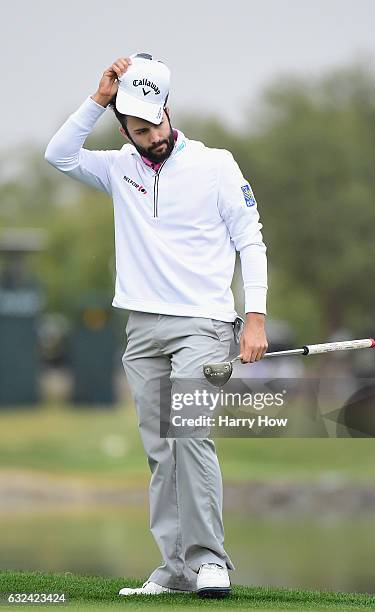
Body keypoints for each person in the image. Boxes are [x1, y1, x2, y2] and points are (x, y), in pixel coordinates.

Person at [45, 53, 268, 598]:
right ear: (125, 128)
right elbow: (58, 155)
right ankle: (174, 569)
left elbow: (250, 240)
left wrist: (256, 316)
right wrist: (98, 99)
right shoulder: (119, 167)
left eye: (156, 123)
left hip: (205, 323)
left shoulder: (217, 164)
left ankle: (210, 560)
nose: (152, 136)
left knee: (188, 432)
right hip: (142, 328)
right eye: (139, 130)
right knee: (159, 449)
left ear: (167, 110)